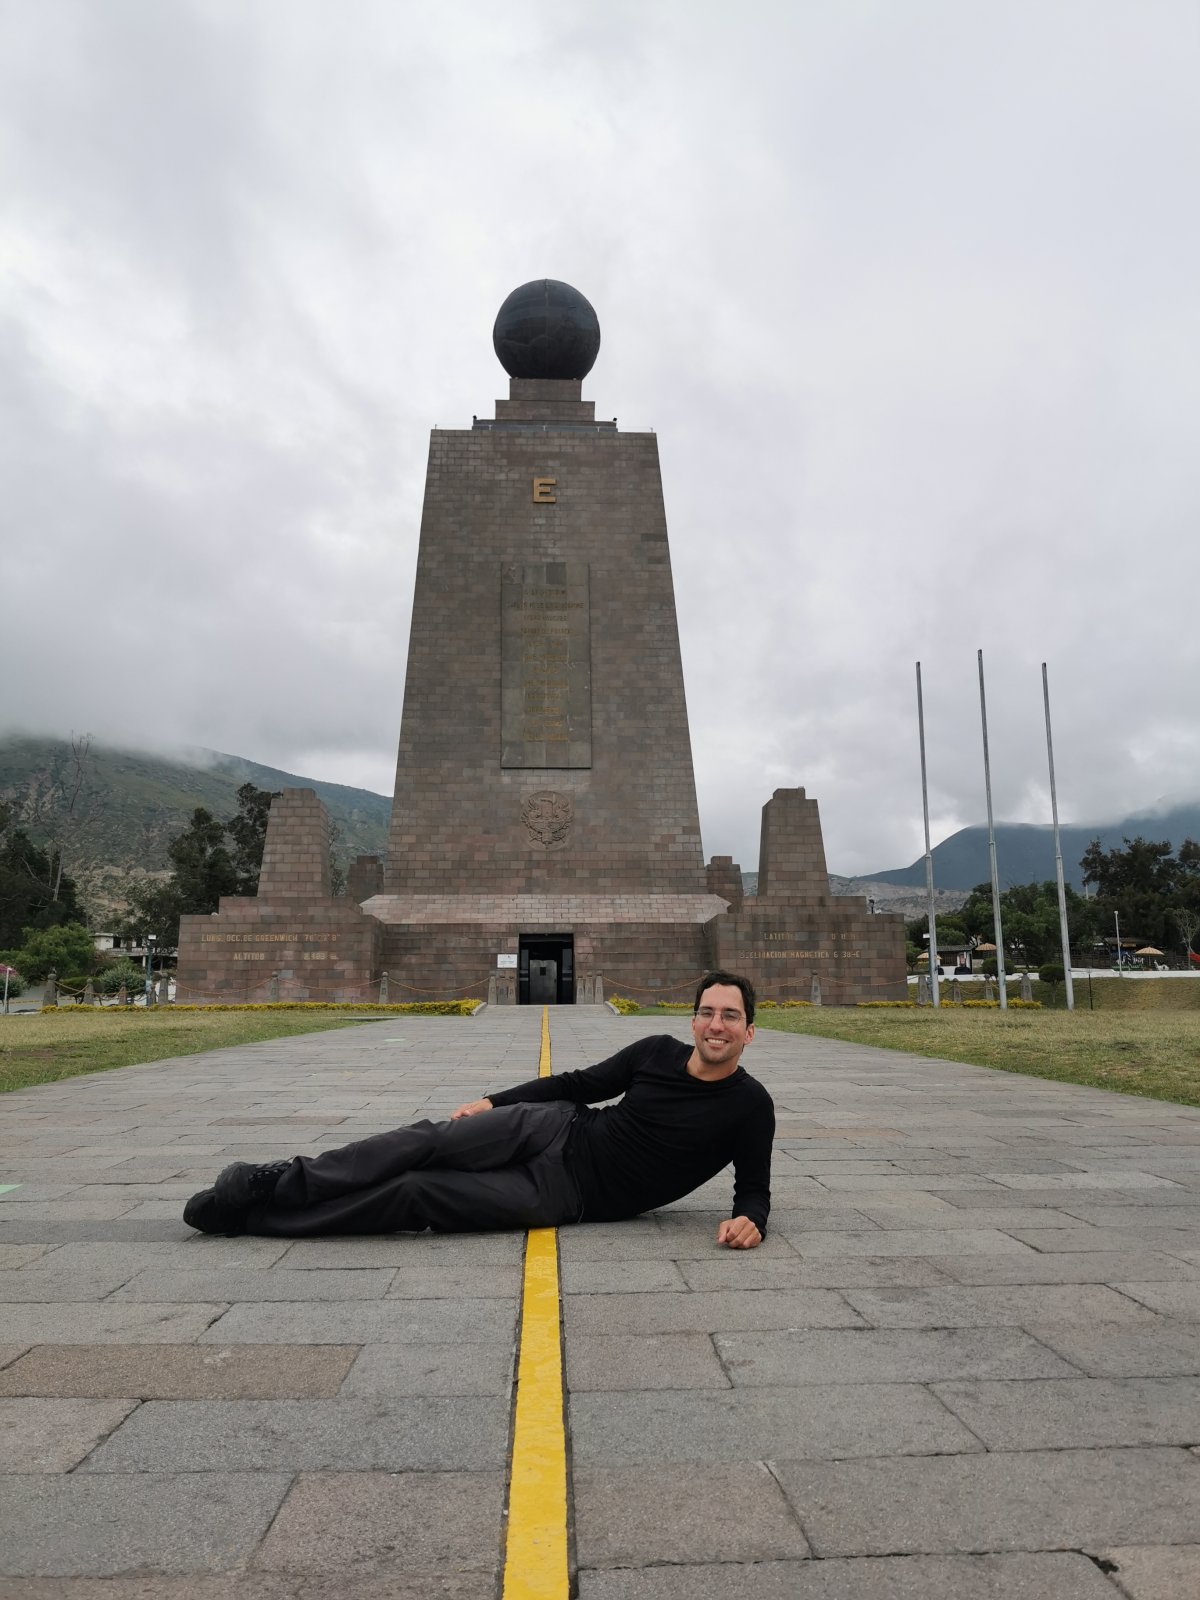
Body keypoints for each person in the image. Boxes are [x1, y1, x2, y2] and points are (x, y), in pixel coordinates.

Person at [183, 970, 773, 1249]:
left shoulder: (750, 1107)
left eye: (730, 1016)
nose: (716, 1024)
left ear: (749, 1032)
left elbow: (753, 1189)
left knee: (419, 1192)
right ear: (693, 1020)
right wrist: (494, 1101)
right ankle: (277, 1180)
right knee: (428, 1140)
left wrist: (751, 1221)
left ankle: (255, 1220)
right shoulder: (655, 1051)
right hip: (555, 1126)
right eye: (707, 1012)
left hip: (566, 1195)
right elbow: (576, 1083)